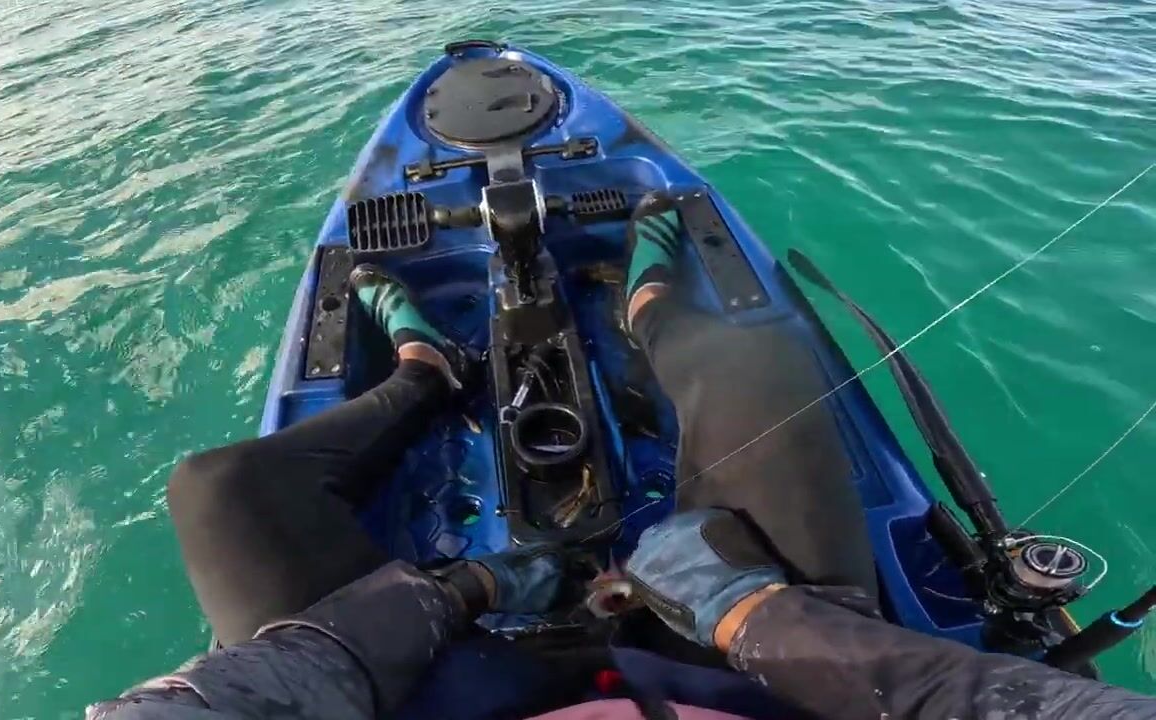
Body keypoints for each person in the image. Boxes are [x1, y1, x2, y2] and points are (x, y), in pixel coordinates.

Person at [89, 195, 1156, 720]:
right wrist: (751, 616)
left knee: (221, 489)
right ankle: (648, 306)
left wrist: (455, 591)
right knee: (757, 365)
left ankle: (422, 370)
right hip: (765, 685)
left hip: (444, 697)